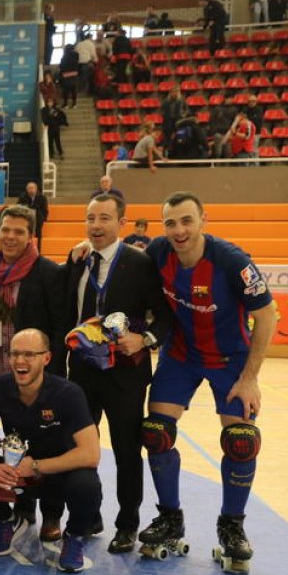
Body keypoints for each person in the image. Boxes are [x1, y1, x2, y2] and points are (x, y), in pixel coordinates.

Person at [138, 192, 276, 572]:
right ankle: (170, 518)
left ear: (203, 221)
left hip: (231, 359)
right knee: (155, 432)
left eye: (186, 221)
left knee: (242, 441)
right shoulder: (157, 254)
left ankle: (232, 525)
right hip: (181, 356)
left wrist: (250, 379)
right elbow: (123, 260)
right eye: (170, 223)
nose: (178, 231)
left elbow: (268, 317)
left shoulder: (232, 262)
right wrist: (89, 244)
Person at [66, 193, 172, 553]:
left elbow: (165, 315)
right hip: (82, 372)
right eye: (91, 218)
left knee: (127, 451)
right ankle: (87, 515)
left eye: (104, 218)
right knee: (81, 448)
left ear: (121, 223)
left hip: (125, 374)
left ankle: (127, 524)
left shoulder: (139, 263)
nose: (96, 225)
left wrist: (144, 339)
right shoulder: (78, 260)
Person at [0, 328, 102, 574]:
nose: (19, 361)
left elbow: (90, 454)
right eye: (14, 354)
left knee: (87, 485)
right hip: (14, 474)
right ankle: (4, 521)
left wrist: (36, 466)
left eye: (29, 354)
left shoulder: (68, 393)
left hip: (54, 475)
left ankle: (74, 537)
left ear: (46, 358)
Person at [0, 205, 67, 378]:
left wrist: (50, 374)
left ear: (31, 236)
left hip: (35, 374)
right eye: (5, 230)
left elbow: (60, 329)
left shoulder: (50, 273)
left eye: (19, 232)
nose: (10, 237)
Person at [17, 181, 49, 247]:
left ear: (36, 189)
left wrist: (44, 218)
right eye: (29, 188)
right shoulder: (22, 197)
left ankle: (38, 249)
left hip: (38, 218)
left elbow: (45, 209)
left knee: (39, 232)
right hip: (26, 218)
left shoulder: (42, 197)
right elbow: (18, 207)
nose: (31, 190)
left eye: (32, 188)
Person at [58, 44, 79, 108]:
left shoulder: (65, 56)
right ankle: (74, 103)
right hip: (74, 74)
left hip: (66, 75)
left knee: (66, 91)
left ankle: (65, 104)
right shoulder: (76, 55)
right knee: (73, 90)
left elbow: (61, 66)